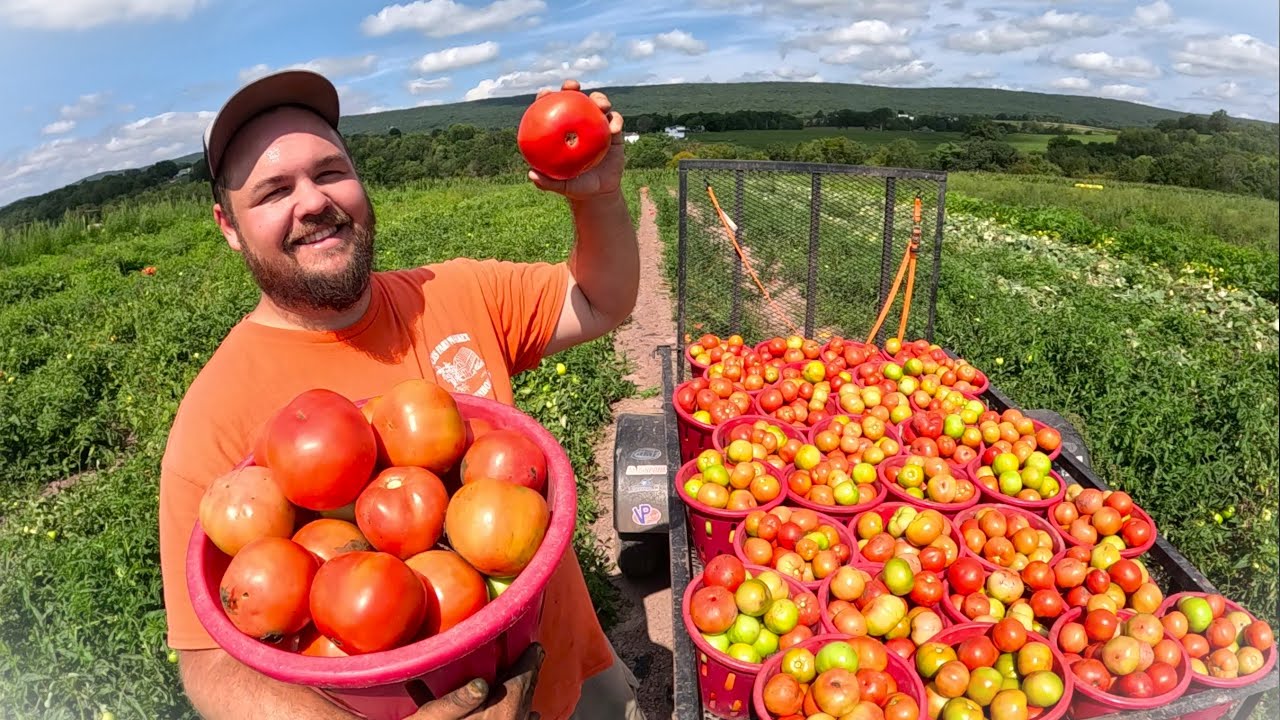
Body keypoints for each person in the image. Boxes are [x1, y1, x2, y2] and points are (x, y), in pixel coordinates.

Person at [157, 69, 642, 719]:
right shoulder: (215, 414)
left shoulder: (455, 292)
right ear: (229, 226)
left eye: (330, 172)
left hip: (576, 678)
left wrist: (598, 197)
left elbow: (600, 301)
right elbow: (208, 663)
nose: (313, 202)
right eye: (274, 191)